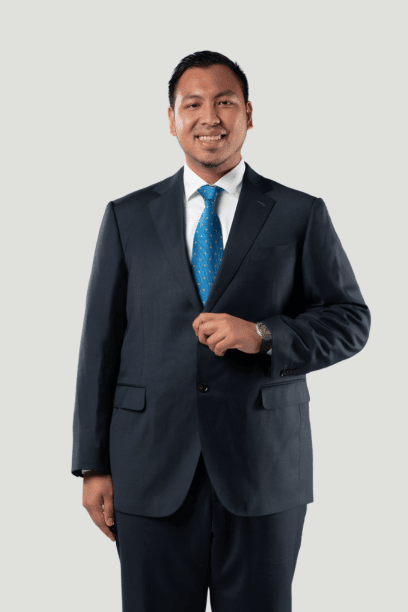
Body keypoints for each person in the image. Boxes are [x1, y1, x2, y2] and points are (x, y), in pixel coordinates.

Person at [72, 50, 371, 611]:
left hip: (264, 467)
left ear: (249, 114)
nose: (209, 117)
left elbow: (351, 319)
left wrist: (263, 335)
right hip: (149, 465)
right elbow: (100, 346)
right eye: (193, 104)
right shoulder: (127, 217)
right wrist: (92, 464)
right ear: (171, 119)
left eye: (225, 102)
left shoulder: (299, 213)